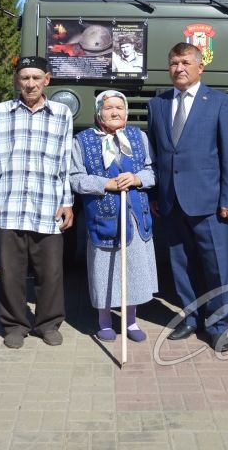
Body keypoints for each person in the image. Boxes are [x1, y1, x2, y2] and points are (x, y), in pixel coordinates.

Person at [147, 42, 228, 353]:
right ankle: (190, 316)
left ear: (200, 66)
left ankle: (217, 325)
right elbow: (156, 155)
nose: (179, 68)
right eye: (174, 63)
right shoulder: (158, 104)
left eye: (186, 62)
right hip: (171, 201)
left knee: (216, 265)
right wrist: (155, 194)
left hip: (209, 201)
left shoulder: (218, 103)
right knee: (180, 263)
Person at [0, 56, 74, 349]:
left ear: (47, 79)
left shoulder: (61, 113)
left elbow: (65, 160)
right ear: (16, 80)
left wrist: (67, 201)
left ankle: (48, 323)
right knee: (11, 272)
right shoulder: (1, 112)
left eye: (36, 77)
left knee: (51, 272)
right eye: (25, 78)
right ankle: (14, 324)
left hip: (47, 204)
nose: (30, 83)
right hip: (10, 205)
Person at [69, 90, 158, 342]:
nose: (115, 112)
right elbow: (75, 178)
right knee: (105, 270)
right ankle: (105, 320)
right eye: (108, 108)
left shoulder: (138, 137)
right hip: (104, 218)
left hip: (135, 217)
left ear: (127, 112)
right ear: (99, 113)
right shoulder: (83, 140)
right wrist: (105, 184)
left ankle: (130, 322)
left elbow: (152, 171)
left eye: (120, 107)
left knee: (133, 270)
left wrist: (137, 178)